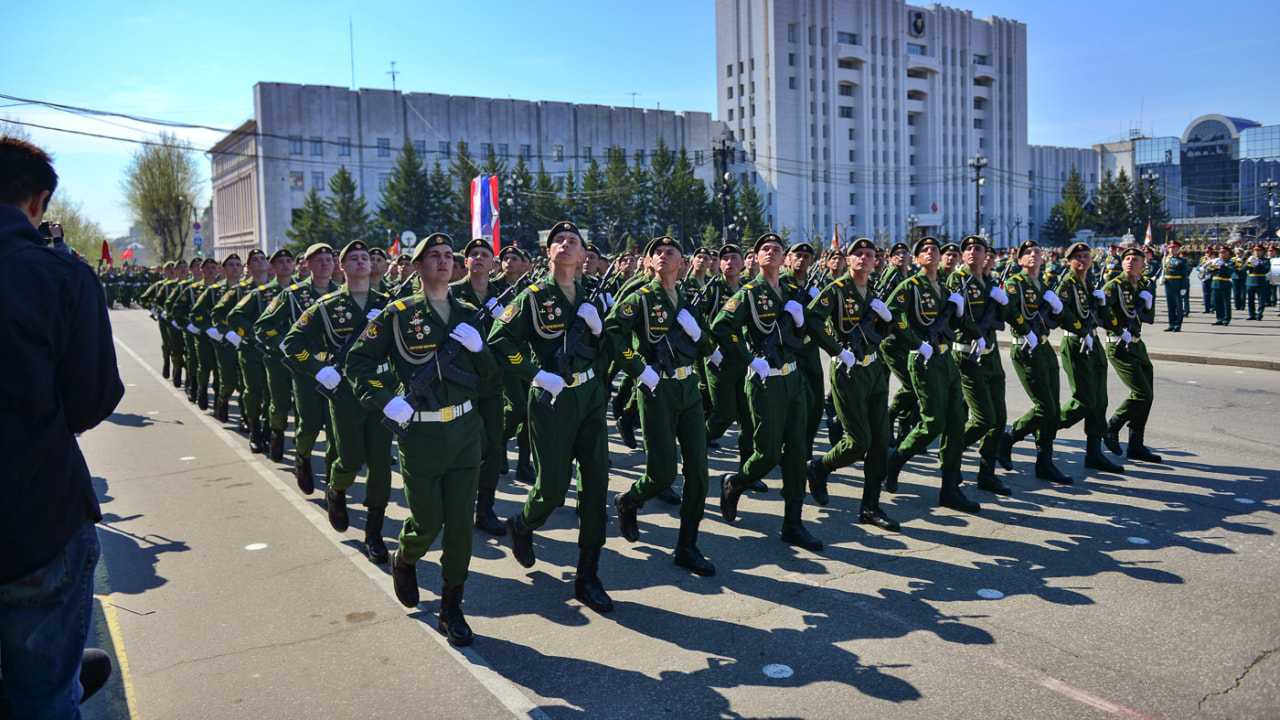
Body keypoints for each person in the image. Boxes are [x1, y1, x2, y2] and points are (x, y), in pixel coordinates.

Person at [0, 136, 124, 717]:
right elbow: (90, 400)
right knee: (44, 696)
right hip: (34, 518)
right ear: (38, 201)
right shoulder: (59, 277)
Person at [346, 233, 493, 645]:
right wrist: (384, 399)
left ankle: (452, 607)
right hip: (422, 433)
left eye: (449, 256)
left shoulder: (469, 313)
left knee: (461, 523)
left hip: (465, 431)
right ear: (417, 265)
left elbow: (491, 375)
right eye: (435, 256)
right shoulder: (397, 313)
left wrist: (481, 350)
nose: (445, 262)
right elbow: (357, 361)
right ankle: (405, 557)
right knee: (428, 521)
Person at [488, 221, 615, 613]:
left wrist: (600, 329)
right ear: (548, 253)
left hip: (590, 396)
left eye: (572, 241)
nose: (564, 244)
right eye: (557, 241)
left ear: (583, 256)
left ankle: (587, 575)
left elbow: (612, 347)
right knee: (553, 487)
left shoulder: (593, 298)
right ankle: (522, 525)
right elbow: (498, 338)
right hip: (551, 398)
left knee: (596, 484)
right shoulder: (532, 296)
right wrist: (534, 372)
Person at [606, 236, 718, 576]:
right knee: (662, 473)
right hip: (656, 391)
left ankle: (687, 545)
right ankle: (629, 500)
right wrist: (639, 369)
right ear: (650, 262)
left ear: (681, 263)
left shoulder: (687, 300)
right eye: (658, 253)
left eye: (671, 252)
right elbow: (612, 331)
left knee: (698, 470)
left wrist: (697, 333)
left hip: (689, 390)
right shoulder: (640, 298)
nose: (664, 256)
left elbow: (709, 346)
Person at [713, 232, 830, 551]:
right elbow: (722, 327)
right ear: (756, 257)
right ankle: (735, 482)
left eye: (776, 249)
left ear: (783, 259)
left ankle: (793, 523)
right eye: (764, 248)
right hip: (765, 380)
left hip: (794, 380)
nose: (771, 252)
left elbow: (811, 328)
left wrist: (805, 319)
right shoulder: (750, 292)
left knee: (796, 453)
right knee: (765, 454)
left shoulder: (795, 290)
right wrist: (751, 358)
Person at [283, 241, 393, 562]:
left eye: (365, 257)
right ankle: (336, 488)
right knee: (350, 459)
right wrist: (319, 370)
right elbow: (293, 342)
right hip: (345, 392)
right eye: (353, 258)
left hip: (382, 390)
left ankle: (374, 533)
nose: (361, 262)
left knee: (380, 464)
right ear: (340, 267)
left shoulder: (389, 303)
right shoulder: (327, 305)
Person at [805, 238, 901, 530]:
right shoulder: (836, 289)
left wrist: (887, 319)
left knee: (880, 441)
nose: (863, 258)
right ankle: (819, 468)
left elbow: (881, 333)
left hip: (875, 371)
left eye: (869, 255)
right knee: (859, 441)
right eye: (857, 254)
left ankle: (870, 507)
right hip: (848, 371)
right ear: (848, 260)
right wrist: (837, 350)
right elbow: (812, 317)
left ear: (875, 262)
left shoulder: (872, 290)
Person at [882, 236, 981, 512]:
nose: (931, 253)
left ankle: (950, 489)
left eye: (934, 249)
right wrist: (916, 343)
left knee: (956, 423)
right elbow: (892, 315)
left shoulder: (946, 287)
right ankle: (895, 460)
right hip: (924, 360)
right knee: (932, 423)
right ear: (917, 259)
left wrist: (971, 327)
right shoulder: (910, 286)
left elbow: (959, 321)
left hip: (946, 359)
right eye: (924, 250)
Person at [256, 243, 339, 492]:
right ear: (307, 265)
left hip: (337, 371)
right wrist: (283, 344)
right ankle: (302, 458)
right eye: (318, 260)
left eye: (328, 259)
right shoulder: (292, 295)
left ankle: (334, 486)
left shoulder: (345, 294)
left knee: (337, 431)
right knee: (310, 425)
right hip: (306, 370)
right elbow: (263, 326)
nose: (325, 263)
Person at [999, 239, 1072, 484]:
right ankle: (1009, 438)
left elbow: (1057, 319)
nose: (1033, 255)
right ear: (1019, 260)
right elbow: (1010, 312)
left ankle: (1045, 462)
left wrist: (1058, 306)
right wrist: (1025, 331)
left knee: (1052, 409)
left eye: (1037, 252)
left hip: (1045, 349)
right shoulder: (1014, 283)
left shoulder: (1045, 285)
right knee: (1046, 407)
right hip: (1025, 348)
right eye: (1027, 253)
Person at [449, 238, 509, 535]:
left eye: (485, 254)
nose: (479, 258)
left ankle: (484, 509)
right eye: (474, 254)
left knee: (494, 447)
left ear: (494, 264)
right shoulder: (452, 293)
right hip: (459, 382)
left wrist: (503, 320)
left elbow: (516, 337)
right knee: (467, 444)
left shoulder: (505, 295)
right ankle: (456, 501)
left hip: (493, 381)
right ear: (466, 262)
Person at [947, 236, 1013, 495]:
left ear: (987, 255)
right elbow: (958, 319)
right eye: (969, 249)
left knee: (999, 419)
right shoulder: (957, 280)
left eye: (979, 249)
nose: (973, 252)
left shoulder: (989, 282)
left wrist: (1005, 303)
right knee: (984, 419)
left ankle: (987, 473)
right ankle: (951, 453)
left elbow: (1003, 318)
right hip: (968, 355)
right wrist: (976, 334)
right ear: (963, 255)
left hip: (992, 356)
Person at [1055, 242, 1124, 475]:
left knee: (1100, 400)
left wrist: (1115, 325)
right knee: (1084, 401)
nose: (1083, 260)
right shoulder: (1067, 283)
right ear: (1069, 261)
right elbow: (1062, 313)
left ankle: (1094, 453)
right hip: (1076, 341)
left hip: (1093, 343)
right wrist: (1082, 331)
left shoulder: (1089, 283)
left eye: (1086, 256)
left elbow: (1098, 314)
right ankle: (1047, 425)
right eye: (1078, 257)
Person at [1102, 248, 1162, 463]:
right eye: (1126, 259)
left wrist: (1147, 302)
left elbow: (1149, 318)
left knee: (1148, 396)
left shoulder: (1144, 287)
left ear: (1143, 265)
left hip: (1138, 346)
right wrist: (1120, 332)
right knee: (1141, 394)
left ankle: (1136, 444)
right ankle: (1112, 427)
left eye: (1135, 259)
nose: (1129, 262)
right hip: (1119, 346)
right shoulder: (1113, 287)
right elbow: (1101, 315)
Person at [1160, 241, 1189, 331]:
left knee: (1178, 306)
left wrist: (1184, 287)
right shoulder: (1165, 259)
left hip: (1177, 284)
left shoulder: (1182, 261)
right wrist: (1162, 277)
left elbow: (1185, 275)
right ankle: (1171, 323)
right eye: (1170, 248)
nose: (1171, 250)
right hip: (1168, 284)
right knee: (1170, 305)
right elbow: (1163, 270)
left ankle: (1178, 324)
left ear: (1178, 249)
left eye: (1174, 248)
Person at [1209, 246, 1235, 326]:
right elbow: (1210, 271)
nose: (1222, 254)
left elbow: (1230, 271)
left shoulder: (1230, 263)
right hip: (1215, 284)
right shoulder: (1216, 261)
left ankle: (1226, 319)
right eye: (1220, 253)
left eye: (1224, 253)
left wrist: (1222, 265)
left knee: (1225, 303)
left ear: (1228, 253)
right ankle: (1219, 318)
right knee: (1217, 303)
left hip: (1224, 284)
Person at [1245, 244, 1271, 321]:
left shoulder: (1265, 260)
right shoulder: (1251, 259)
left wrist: (1258, 264)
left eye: (1258, 251)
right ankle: (1251, 314)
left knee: (1261, 299)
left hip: (1260, 280)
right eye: (1255, 251)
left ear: (1262, 252)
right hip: (1250, 281)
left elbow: (1266, 270)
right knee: (1250, 299)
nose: (1256, 252)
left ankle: (1259, 314)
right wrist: (1247, 262)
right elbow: (1243, 269)